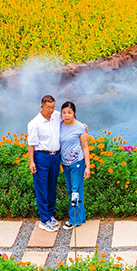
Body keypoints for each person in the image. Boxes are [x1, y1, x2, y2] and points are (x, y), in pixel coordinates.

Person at [27, 95, 62, 232]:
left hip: (55, 156)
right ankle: (44, 219)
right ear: (42, 106)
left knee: (52, 187)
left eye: (53, 107)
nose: (51, 110)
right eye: (49, 108)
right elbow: (31, 145)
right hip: (41, 156)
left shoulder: (56, 116)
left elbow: (69, 119)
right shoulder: (34, 123)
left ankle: (50, 214)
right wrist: (32, 162)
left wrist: (82, 126)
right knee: (42, 188)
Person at [59, 101, 91, 229]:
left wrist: (88, 167)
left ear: (74, 113)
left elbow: (85, 148)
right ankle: (80, 217)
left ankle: (74, 220)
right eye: (64, 113)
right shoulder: (59, 125)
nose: (66, 115)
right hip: (65, 164)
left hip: (77, 163)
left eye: (69, 113)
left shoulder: (79, 128)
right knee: (72, 190)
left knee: (75, 191)